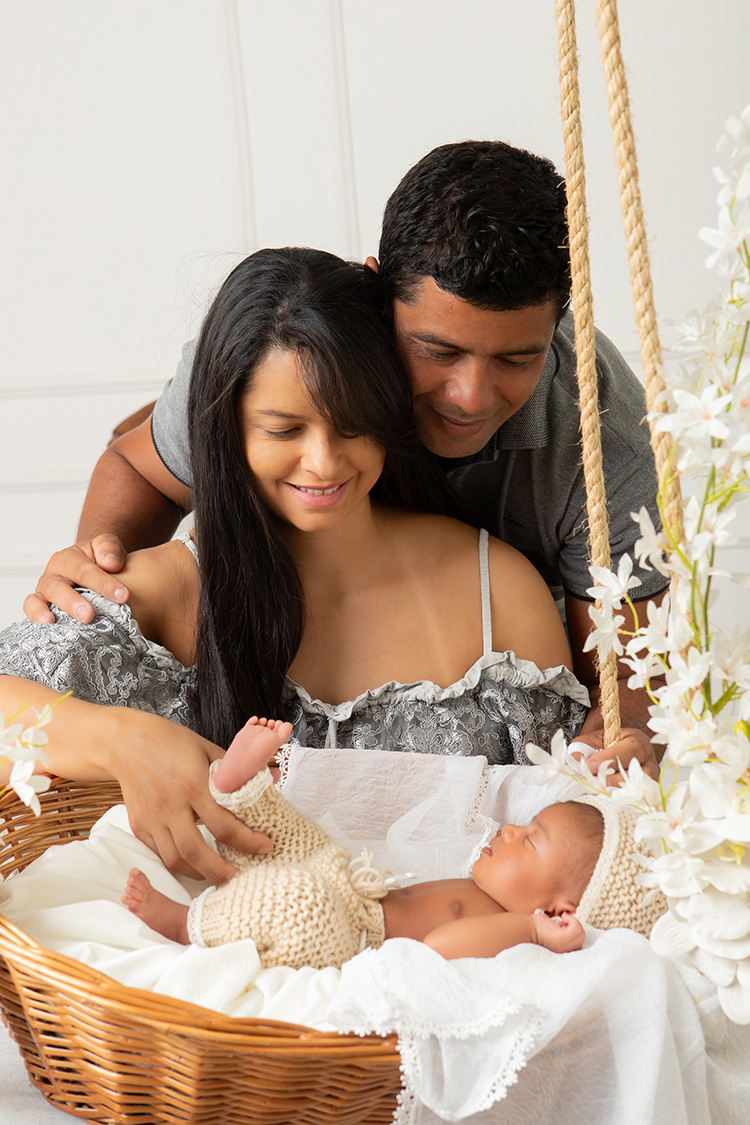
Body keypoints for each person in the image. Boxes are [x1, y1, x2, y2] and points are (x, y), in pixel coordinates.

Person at [23, 141, 668, 785]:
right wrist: (99, 590)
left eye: (515, 360)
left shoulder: (604, 435)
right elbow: (138, 467)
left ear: (560, 324)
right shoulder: (273, 353)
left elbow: (628, 678)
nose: (469, 396)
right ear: (377, 291)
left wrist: (624, 738)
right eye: (436, 350)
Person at [0, 248, 587, 884]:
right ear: (229, 431)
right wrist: (125, 739)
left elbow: (564, 832)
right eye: (284, 430)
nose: (324, 462)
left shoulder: (496, 589)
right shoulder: (166, 589)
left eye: (351, 426)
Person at [122, 715, 666, 967]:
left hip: (351, 939)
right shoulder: (496, 893)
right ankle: (243, 793)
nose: (509, 828)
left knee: (295, 904)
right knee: (300, 842)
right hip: (354, 892)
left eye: (529, 842)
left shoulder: (518, 937)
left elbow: (438, 951)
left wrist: (531, 932)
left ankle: (187, 924)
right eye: (525, 824)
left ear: (560, 912)